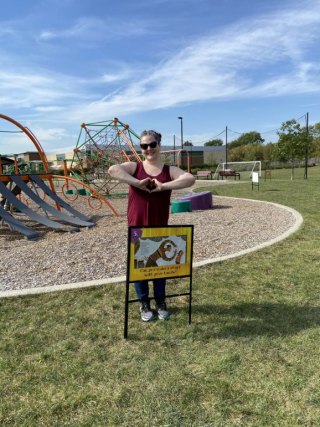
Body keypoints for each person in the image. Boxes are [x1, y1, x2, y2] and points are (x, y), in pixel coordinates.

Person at [108, 130, 195, 321]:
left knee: (160, 265)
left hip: (159, 227)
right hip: (137, 227)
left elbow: (190, 179)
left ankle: (160, 301)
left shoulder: (168, 171)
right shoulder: (135, 167)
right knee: (140, 266)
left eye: (152, 145)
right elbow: (113, 170)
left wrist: (163, 186)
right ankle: (144, 303)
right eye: (144, 146)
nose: (148, 149)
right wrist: (138, 183)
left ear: (159, 145)